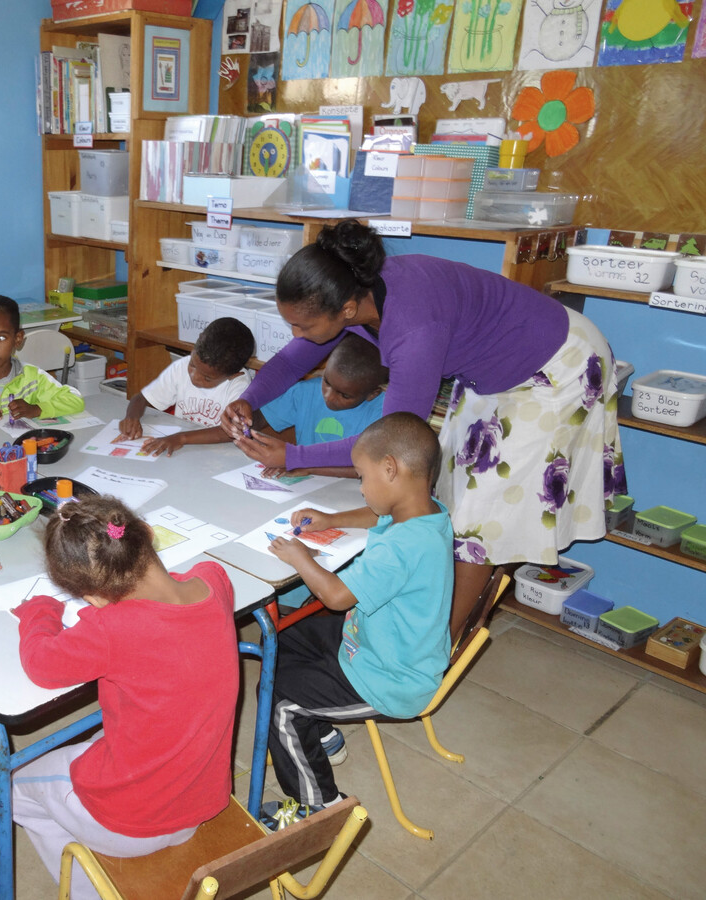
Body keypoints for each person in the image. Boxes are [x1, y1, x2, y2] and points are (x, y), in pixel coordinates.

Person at [222, 220, 624, 632]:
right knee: (446, 498)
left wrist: (294, 456)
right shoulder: (356, 290)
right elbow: (293, 359)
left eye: (303, 326)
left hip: (555, 365)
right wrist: (248, 399)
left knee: (476, 524)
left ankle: (440, 649)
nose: (296, 334)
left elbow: (388, 441)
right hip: (497, 369)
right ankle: (434, 618)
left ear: (344, 309)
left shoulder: (413, 329)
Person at [12, 497, 238, 899]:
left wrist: (40, 612)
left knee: (14, 786)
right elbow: (189, 577)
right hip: (201, 803)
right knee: (100, 743)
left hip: (130, 822)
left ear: (94, 598)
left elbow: (40, 665)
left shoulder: (109, 629)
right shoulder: (215, 581)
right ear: (149, 535)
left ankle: (86, 892)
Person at [262, 412, 454, 824]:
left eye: (362, 478)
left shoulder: (403, 548)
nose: (361, 487)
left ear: (390, 469)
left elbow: (334, 596)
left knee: (281, 703)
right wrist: (332, 520)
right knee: (282, 636)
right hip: (377, 641)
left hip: (390, 677)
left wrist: (299, 557)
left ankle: (320, 807)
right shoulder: (426, 511)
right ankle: (322, 733)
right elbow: (378, 515)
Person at [254, 332, 387, 480]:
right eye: (326, 382)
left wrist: (309, 467)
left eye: (344, 395)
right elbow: (259, 418)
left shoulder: (384, 412)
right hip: (308, 486)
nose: (329, 396)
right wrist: (238, 420)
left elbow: (369, 469)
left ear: (372, 394)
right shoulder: (306, 391)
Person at [115, 316, 254, 456]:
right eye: (192, 365)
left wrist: (181, 438)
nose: (194, 377)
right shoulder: (180, 367)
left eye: (207, 378)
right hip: (184, 452)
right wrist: (131, 417)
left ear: (233, 375)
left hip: (219, 455)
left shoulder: (240, 385)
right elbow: (141, 398)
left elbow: (230, 433)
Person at [0, 294, 85, 427]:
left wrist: (37, 409)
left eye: (0, 338)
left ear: (17, 339)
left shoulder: (33, 378)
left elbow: (75, 400)